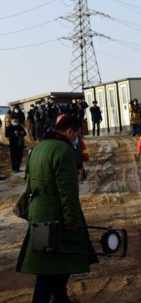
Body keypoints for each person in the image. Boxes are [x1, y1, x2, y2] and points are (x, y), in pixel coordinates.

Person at [16, 113, 97, 303]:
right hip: (57, 219)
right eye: (77, 134)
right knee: (52, 271)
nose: (77, 138)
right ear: (70, 131)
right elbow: (67, 193)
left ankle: (61, 299)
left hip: (38, 218)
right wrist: (71, 222)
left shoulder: (38, 148)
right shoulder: (63, 151)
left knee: (51, 269)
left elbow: (28, 184)